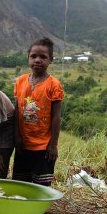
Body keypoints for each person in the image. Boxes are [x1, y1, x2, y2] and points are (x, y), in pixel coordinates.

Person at [13, 37, 64, 186]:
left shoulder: (54, 85)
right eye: (33, 56)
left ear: (51, 60)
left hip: (43, 147)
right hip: (23, 144)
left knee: (40, 185)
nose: (37, 60)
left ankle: (37, 209)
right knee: (21, 183)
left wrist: (53, 145)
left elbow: (56, 117)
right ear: (28, 57)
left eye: (43, 57)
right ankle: (21, 209)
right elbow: (17, 110)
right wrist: (16, 136)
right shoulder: (21, 81)